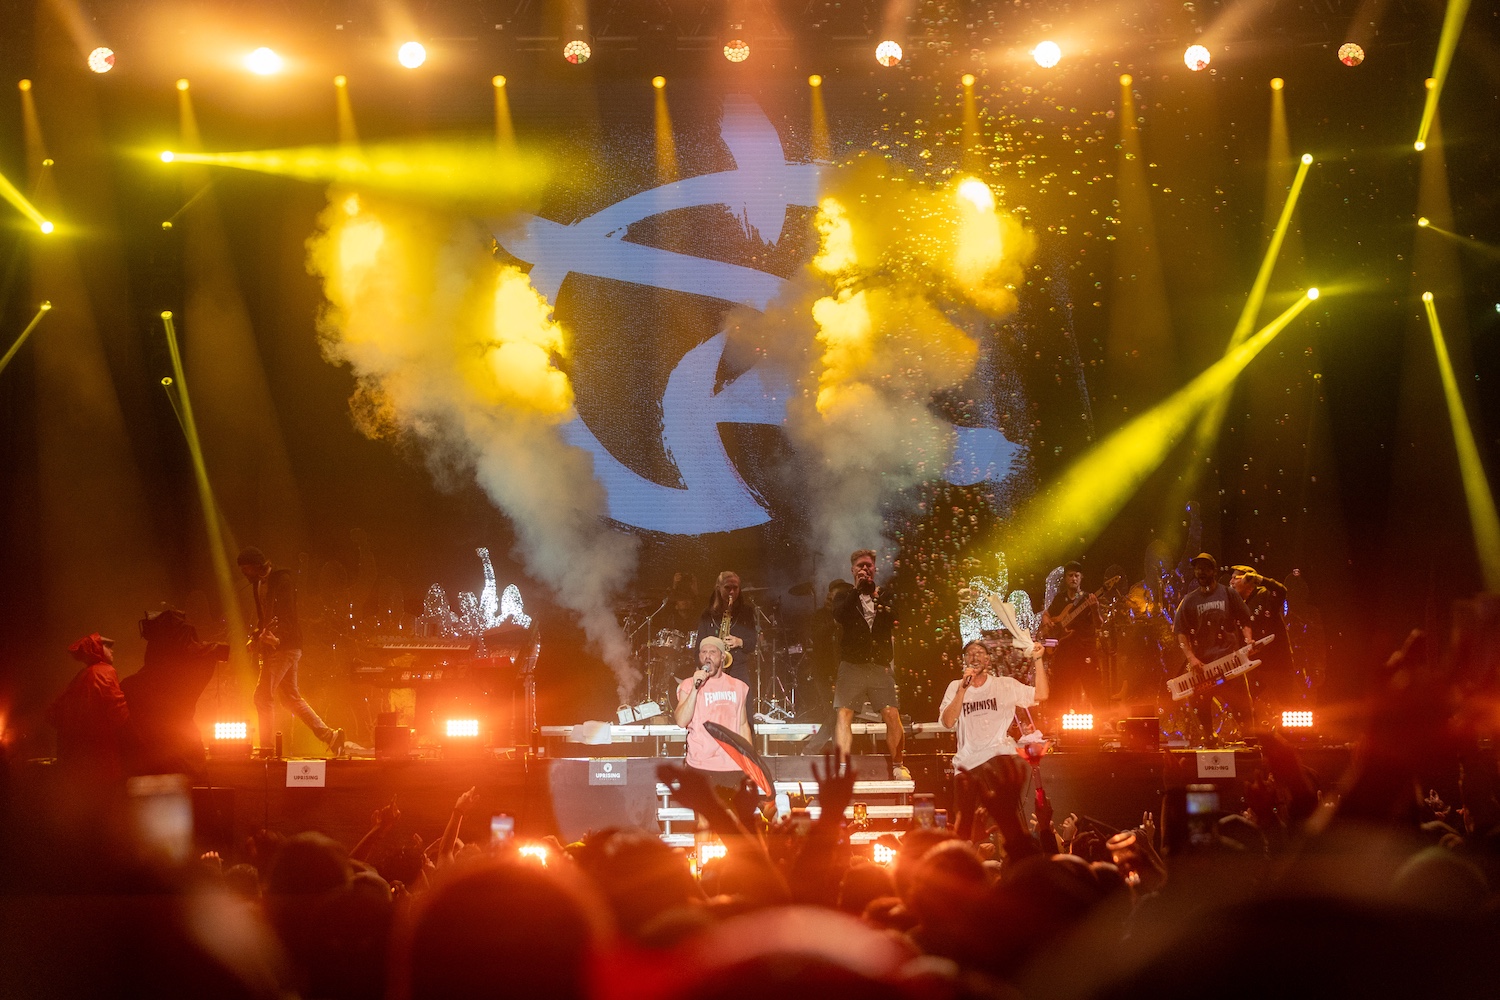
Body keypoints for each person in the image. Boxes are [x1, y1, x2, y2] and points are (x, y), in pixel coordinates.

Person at [939, 613, 1049, 840]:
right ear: (964, 661)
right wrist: (963, 689)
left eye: (980, 653)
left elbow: (1042, 694)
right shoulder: (955, 687)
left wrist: (1038, 660)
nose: (974, 656)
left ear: (988, 660)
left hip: (998, 758)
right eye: (969, 654)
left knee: (1005, 823)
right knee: (965, 828)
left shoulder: (1004, 685)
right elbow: (948, 722)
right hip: (967, 764)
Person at [239, 546, 344, 757]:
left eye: (246, 570)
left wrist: (278, 639)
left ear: (256, 566)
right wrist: (257, 637)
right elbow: (264, 618)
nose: (244, 575)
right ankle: (330, 736)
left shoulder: (282, 581)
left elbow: (288, 616)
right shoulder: (257, 584)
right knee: (290, 698)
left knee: (262, 697)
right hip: (279, 646)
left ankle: (267, 749)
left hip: (285, 646)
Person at [831, 549, 909, 780]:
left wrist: (875, 595)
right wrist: (857, 590)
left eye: (868, 566)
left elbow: (896, 617)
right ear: (852, 570)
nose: (864, 569)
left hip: (878, 665)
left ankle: (898, 765)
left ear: (875, 569)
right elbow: (839, 616)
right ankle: (842, 768)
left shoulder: (885, 594)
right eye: (860, 566)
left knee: (891, 713)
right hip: (852, 664)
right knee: (844, 713)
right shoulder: (844, 595)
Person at [1173, 552, 1255, 746]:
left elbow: (1245, 620)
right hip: (1204, 668)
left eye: (1205, 568)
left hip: (1231, 663)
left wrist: (1249, 640)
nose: (1201, 572)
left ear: (1213, 571)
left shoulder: (1228, 593)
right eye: (1197, 568)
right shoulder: (1189, 600)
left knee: (1243, 707)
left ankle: (1251, 744)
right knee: (1201, 707)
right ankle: (1210, 740)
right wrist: (1191, 658)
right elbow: (1181, 633)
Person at [673, 635, 753, 800]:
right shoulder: (688, 685)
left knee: (730, 815)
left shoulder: (738, 687)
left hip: (732, 765)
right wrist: (695, 689)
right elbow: (681, 721)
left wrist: (750, 761)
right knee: (704, 815)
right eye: (703, 652)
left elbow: (743, 725)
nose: (707, 656)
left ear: (723, 657)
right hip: (700, 764)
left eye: (712, 652)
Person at [49, 632, 132, 784]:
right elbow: (119, 713)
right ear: (96, 648)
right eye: (106, 646)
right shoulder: (105, 671)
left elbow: (52, 714)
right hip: (102, 759)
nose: (112, 650)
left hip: (76, 761)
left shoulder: (80, 676)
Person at [1228, 565, 1296, 725]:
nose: (1231, 581)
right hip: (1254, 667)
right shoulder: (1237, 605)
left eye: (1235, 577)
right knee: (1246, 706)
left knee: (1286, 706)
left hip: (1276, 665)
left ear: (1248, 581)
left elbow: (1281, 591)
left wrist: (1259, 579)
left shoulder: (1265, 595)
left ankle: (1290, 736)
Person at [1041, 561, 1102, 716]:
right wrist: (1046, 620)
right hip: (1065, 651)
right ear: (1065, 578)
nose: (1074, 578)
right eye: (1070, 575)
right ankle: (1055, 720)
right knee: (1060, 689)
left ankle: (1104, 721)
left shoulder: (1088, 598)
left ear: (1081, 578)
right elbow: (1047, 614)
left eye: (1076, 575)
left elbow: (1099, 624)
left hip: (1085, 649)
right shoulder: (1060, 599)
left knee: (1094, 688)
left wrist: (1095, 608)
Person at [696, 571, 758, 687]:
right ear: (718, 588)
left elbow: (753, 643)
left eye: (735, 588)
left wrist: (739, 642)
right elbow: (698, 647)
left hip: (738, 669)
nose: (732, 592)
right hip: (712, 670)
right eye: (727, 588)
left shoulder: (746, 612)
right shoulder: (707, 614)